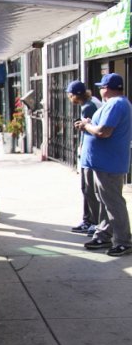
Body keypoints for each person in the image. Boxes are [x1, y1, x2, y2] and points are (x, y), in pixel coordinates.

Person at [75, 73, 132, 256]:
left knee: (113, 202)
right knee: (106, 201)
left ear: (107, 88)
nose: (99, 90)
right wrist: (91, 123)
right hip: (104, 162)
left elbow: (104, 132)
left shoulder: (117, 104)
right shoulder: (114, 104)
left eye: (101, 87)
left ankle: (123, 240)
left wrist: (86, 126)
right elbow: (101, 127)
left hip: (109, 163)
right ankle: (104, 233)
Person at [67, 80, 102, 237]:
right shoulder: (92, 101)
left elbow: (91, 128)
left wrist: (82, 126)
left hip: (91, 154)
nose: (69, 97)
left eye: (70, 94)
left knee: (89, 189)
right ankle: (91, 220)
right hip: (92, 153)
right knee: (89, 189)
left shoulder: (88, 107)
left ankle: (92, 222)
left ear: (75, 95)